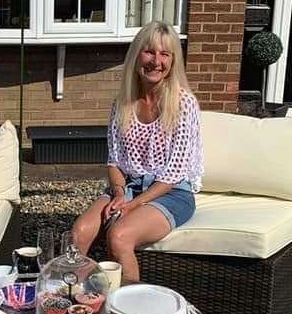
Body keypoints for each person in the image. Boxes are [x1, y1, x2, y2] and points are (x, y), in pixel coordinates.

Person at [71, 21, 202, 283]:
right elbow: (114, 161)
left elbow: (174, 173)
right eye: (149, 52)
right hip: (129, 186)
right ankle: (82, 299)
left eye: (165, 54)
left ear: (173, 61)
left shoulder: (184, 103)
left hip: (172, 193)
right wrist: (119, 194)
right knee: (79, 233)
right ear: (136, 55)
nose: (156, 61)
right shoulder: (122, 103)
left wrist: (132, 205)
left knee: (119, 236)